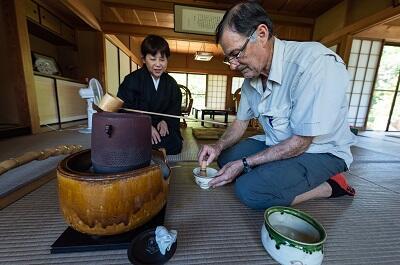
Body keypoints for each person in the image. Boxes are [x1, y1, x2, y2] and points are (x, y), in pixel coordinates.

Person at [198, 1, 357, 210]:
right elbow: (240, 123)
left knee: (250, 191)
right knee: (225, 157)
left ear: (261, 34)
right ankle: (272, 172)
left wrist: (245, 164)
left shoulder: (314, 63)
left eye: (236, 54)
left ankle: (330, 186)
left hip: (321, 151)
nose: (234, 65)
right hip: (276, 143)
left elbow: (301, 142)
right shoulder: (252, 79)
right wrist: (217, 146)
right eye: (229, 59)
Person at [117, 35, 182, 155]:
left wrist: (165, 121)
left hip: (160, 129)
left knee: (176, 144)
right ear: (143, 59)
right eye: (153, 59)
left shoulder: (171, 83)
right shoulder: (132, 80)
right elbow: (124, 110)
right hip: (138, 127)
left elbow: (174, 109)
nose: (158, 64)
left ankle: (146, 149)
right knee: (127, 140)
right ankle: (149, 149)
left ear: (167, 60)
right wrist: (146, 126)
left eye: (162, 60)